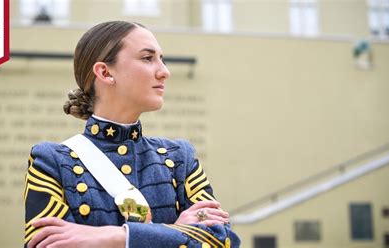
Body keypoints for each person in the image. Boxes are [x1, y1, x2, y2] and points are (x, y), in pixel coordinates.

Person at [24, 20, 241, 248]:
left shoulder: (180, 158)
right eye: (148, 58)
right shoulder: (51, 162)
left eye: (161, 59)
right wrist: (177, 230)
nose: (165, 71)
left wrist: (118, 237)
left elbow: (223, 240)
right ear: (105, 72)